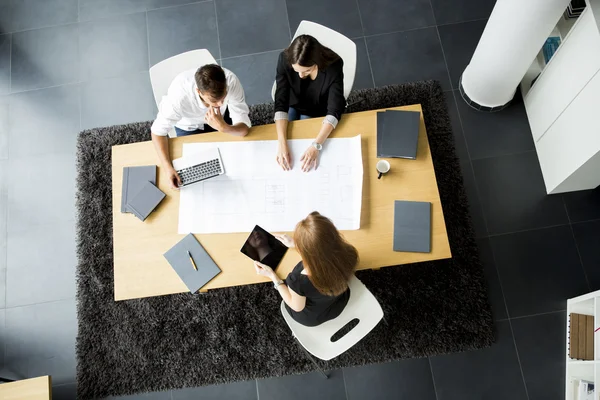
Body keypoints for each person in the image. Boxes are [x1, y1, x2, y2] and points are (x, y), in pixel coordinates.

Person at [150, 64, 251, 189]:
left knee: (239, 159)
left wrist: (225, 127)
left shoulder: (231, 81)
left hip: (222, 119)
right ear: (199, 92)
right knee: (196, 175)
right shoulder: (178, 99)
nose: (220, 104)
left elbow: (245, 128)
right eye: (214, 101)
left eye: (223, 97)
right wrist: (167, 168)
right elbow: (157, 132)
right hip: (190, 127)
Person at [254, 212, 358, 327]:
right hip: (338, 302)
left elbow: (296, 306)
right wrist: (300, 244)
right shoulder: (350, 253)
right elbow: (321, 254)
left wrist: (273, 276)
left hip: (314, 317)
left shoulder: (299, 280)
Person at [273, 35, 345, 172]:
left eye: (306, 70)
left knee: (305, 143)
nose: (300, 75)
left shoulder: (334, 65)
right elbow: (281, 100)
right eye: (297, 71)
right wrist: (281, 143)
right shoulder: (283, 59)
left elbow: (335, 108)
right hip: (293, 103)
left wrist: (316, 145)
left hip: (318, 107)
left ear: (316, 62)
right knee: (286, 141)